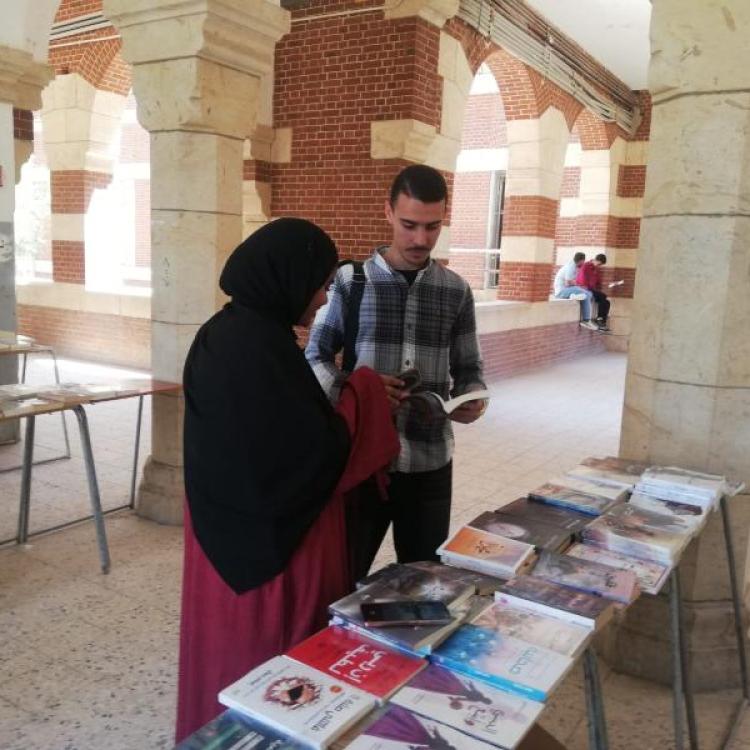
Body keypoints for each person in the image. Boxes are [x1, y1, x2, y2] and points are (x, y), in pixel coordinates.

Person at [176, 218, 400, 742]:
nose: (322, 298)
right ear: (286, 277)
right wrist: (365, 392)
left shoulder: (225, 332)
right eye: (319, 284)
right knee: (272, 673)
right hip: (272, 555)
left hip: (219, 537)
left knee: (222, 655)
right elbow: (313, 454)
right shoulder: (261, 350)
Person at [305, 164, 486, 581]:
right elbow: (314, 358)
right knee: (342, 579)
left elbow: (469, 368)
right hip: (363, 461)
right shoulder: (350, 282)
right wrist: (355, 391)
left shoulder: (456, 290)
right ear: (388, 212)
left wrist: (473, 396)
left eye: (432, 227)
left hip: (430, 461)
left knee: (422, 582)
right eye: (409, 225)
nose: (420, 239)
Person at [552, 251, 598, 331]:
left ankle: (575, 296)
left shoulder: (573, 266)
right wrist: (578, 286)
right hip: (561, 291)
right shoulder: (571, 266)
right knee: (586, 294)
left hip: (566, 289)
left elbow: (572, 282)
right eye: (583, 261)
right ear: (581, 260)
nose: (583, 263)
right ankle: (586, 320)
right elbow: (568, 283)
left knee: (588, 294)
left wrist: (579, 286)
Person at [576, 252, 611, 331]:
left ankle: (601, 321)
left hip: (591, 289)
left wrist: (606, 284)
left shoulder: (595, 269)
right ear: (596, 260)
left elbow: (598, 282)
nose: (599, 266)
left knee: (607, 302)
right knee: (603, 296)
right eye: (599, 264)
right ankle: (599, 320)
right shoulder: (586, 266)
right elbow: (582, 280)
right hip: (584, 289)